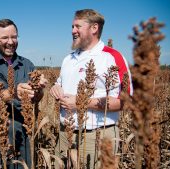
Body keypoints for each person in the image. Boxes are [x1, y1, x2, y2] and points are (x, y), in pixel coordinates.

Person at [50, 9, 133, 168]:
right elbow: (59, 82)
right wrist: (56, 87)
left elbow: (126, 101)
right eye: (72, 26)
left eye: (77, 26)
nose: (72, 30)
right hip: (65, 134)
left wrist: (81, 102)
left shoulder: (112, 57)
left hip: (96, 136)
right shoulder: (69, 58)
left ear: (94, 28)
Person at [0, 19, 47, 168]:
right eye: (5, 38)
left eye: (14, 37)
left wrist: (39, 90)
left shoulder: (27, 64)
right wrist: (13, 93)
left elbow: (36, 99)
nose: (10, 42)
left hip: (23, 133)